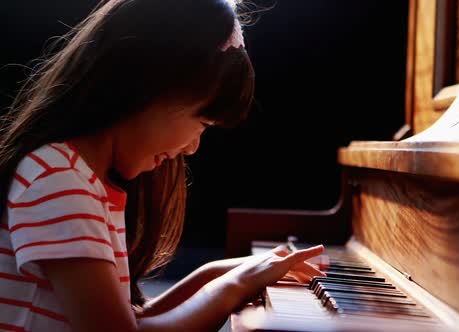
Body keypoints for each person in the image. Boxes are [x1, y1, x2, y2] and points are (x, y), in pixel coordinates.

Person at [0, 0, 326, 331]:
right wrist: (234, 286)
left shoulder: (75, 176)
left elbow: (135, 317)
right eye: (203, 122)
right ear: (152, 86)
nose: (193, 147)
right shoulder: (57, 179)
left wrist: (224, 272)